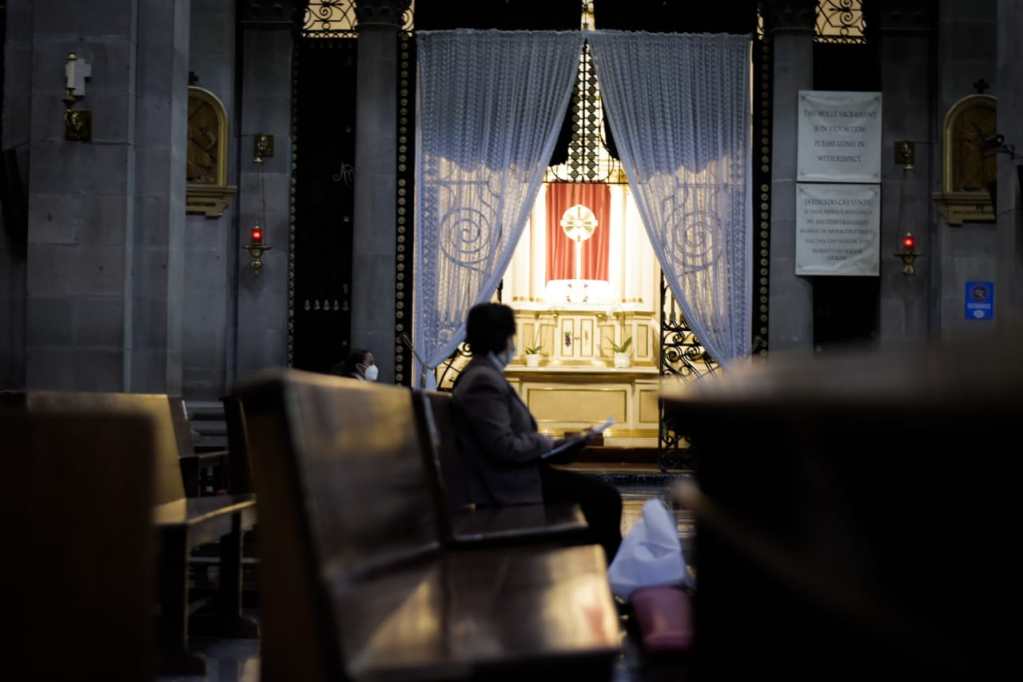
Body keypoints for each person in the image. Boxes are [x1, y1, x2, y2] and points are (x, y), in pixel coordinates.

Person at [452, 302, 622, 562]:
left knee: (601, 494)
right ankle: (604, 573)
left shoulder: (482, 374)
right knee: (605, 497)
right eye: (512, 336)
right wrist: (544, 442)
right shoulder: (483, 380)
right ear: (502, 338)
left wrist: (566, 444)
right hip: (508, 486)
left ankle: (597, 569)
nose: (513, 344)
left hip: (517, 476)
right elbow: (503, 447)